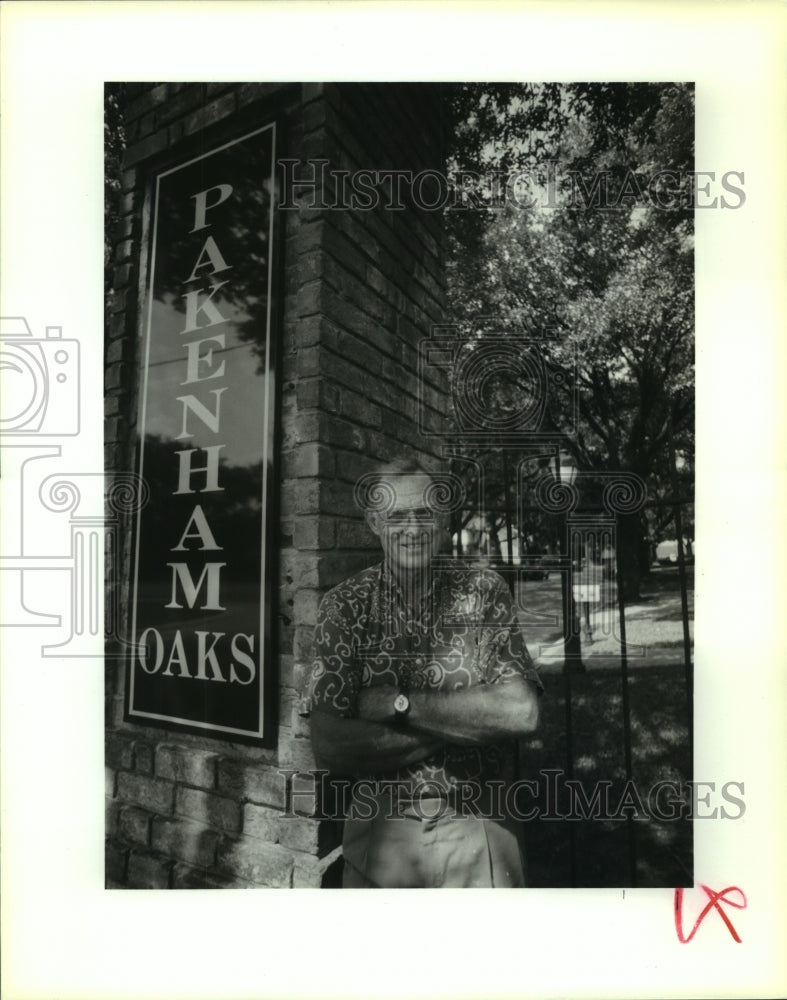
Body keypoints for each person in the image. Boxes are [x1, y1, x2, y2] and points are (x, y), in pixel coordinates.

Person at [300, 459, 543, 888]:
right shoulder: (345, 605)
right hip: (380, 831)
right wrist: (468, 721)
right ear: (375, 523)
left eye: (425, 514)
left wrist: (398, 704)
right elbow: (331, 747)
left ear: (444, 520)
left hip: (477, 823)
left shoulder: (484, 593)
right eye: (396, 516)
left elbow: (520, 712)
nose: (412, 529)